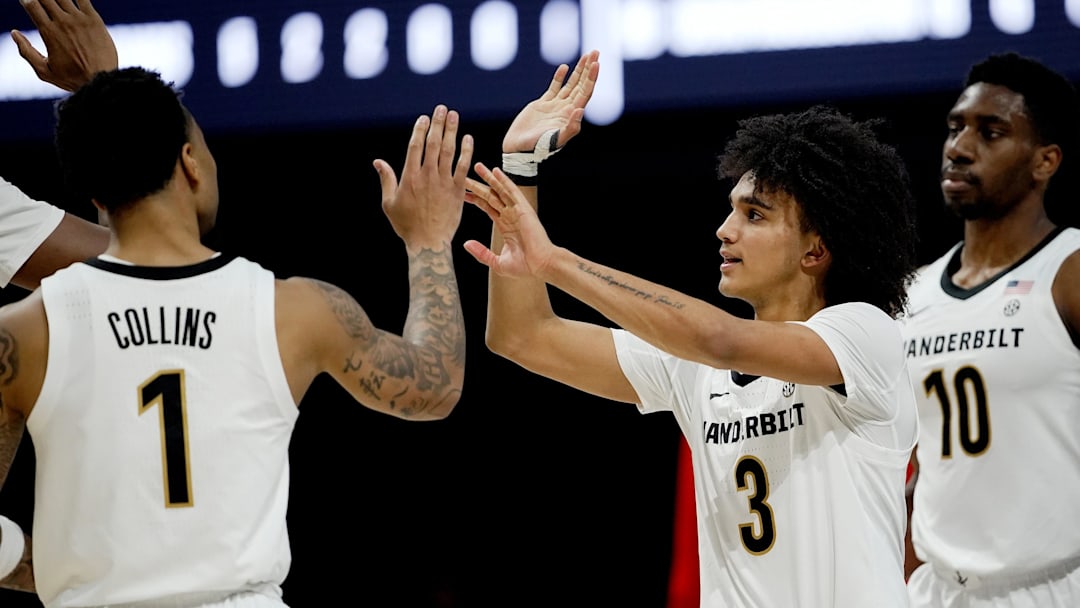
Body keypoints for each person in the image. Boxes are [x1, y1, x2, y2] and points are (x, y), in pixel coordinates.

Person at [0, 66, 472, 607]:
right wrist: (429, 240)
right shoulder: (294, 310)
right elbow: (435, 385)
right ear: (190, 164)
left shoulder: (24, 333)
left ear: (93, 194)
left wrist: (41, 562)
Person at [462, 51, 920, 607]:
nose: (724, 230)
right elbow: (522, 335)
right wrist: (521, 169)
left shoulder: (862, 335)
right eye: (732, 210)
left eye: (754, 215)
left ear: (815, 248)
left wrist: (554, 262)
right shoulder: (693, 366)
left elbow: (719, 339)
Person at [900, 52, 1080, 607]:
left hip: (1053, 585)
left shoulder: (1068, 270)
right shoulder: (912, 293)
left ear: (1044, 161)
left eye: (991, 131)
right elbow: (932, 461)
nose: (959, 147)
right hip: (937, 590)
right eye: (955, 127)